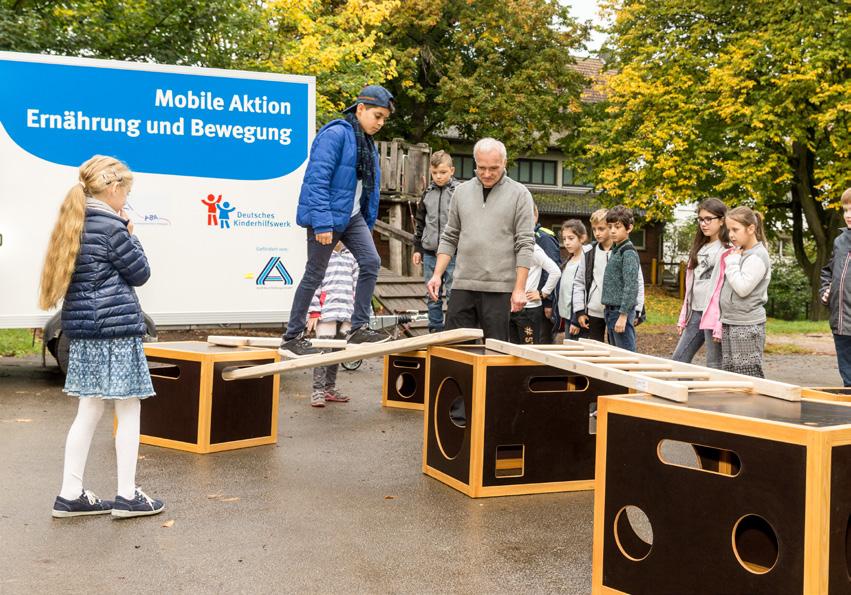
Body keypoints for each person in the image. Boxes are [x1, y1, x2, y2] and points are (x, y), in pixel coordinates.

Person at [39, 155, 164, 519]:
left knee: (89, 409)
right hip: (116, 330)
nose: (126, 199)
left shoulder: (75, 223)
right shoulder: (112, 228)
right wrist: (131, 235)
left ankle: (70, 493)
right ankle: (127, 495)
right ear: (112, 188)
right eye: (126, 191)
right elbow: (140, 273)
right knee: (128, 408)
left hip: (84, 331)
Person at [279, 85, 395, 358]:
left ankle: (358, 328)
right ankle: (292, 336)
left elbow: (367, 189)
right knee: (315, 273)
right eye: (377, 116)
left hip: (351, 217)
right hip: (328, 216)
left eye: (384, 119)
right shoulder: (336, 134)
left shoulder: (366, 143)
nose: (380, 123)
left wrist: (365, 222)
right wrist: (321, 223)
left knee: (370, 262)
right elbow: (316, 180)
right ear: (361, 108)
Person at [426, 138, 535, 341]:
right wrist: (437, 275)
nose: (486, 174)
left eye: (493, 168)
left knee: (495, 352)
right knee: (453, 348)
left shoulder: (520, 194)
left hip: (500, 288)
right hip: (463, 284)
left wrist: (519, 289)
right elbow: (450, 236)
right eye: (481, 167)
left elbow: (525, 244)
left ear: (504, 162)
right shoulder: (461, 192)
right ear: (475, 163)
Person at [572, 209, 645, 343]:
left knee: (617, 349)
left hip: (617, 310)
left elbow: (636, 281)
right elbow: (579, 282)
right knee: (594, 351)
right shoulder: (588, 252)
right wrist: (579, 310)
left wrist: (638, 309)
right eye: (594, 229)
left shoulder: (624, 252)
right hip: (594, 310)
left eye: (601, 228)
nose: (597, 233)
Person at [673, 198, 729, 368]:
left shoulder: (727, 249)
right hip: (696, 312)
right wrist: (684, 317)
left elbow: (724, 290)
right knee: (679, 360)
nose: (704, 224)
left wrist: (720, 323)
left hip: (714, 315)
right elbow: (691, 287)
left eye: (708, 219)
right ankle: (688, 393)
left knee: (714, 365)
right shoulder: (700, 247)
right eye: (700, 219)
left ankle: (715, 395)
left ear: (721, 220)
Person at [719, 206, 772, 377]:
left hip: (747, 324)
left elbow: (742, 288)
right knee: (731, 373)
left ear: (751, 229)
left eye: (735, 229)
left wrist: (732, 263)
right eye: (729, 230)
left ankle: (756, 405)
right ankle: (735, 405)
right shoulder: (740, 252)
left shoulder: (757, 256)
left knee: (748, 375)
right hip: (731, 320)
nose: (731, 235)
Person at [412, 150, 460, 333]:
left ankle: (453, 330)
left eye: (443, 172)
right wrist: (417, 248)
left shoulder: (459, 192)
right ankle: (435, 329)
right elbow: (420, 222)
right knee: (432, 294)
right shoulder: (427, 194)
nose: (438, 177)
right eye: (434, 173)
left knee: (454, 293)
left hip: (454, 254)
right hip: (430, 252)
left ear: (452, 170)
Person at [307, 243, 358, 407]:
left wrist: (359, 313)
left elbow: (359, 285)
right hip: (326, 312)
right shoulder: (322, 255)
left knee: (337, 353)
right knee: (323, 352)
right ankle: (317, 391)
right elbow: (313, 284)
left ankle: (329, 388)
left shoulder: (353, 256)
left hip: (347, 312)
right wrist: (314, 311)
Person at [820, 187, 851, 386]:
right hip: (841, 323)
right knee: (848, 377)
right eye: (845, 209)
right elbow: (827, 272)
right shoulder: (840, 241)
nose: (848, 215)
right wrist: (825, 291)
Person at [601, 206, 641, 351]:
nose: (612, 231)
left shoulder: (628, 252)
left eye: (617, 227)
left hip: (620, 311)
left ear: (629, 228)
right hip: (610, 311)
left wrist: (623, 315)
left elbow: (631, 286)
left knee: (626, 357)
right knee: (615, 356)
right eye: (610, 226)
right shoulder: (616, 250)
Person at [509, 243, 560, 344]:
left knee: (529, 350)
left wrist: (543, 293)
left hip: (528, 309)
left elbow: (555, 271)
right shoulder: (509, 246)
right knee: (513, 350)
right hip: (510, 308)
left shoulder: (534, 249)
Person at [551, 219, 590, 341]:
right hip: (566, 316)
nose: (567, 243)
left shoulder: (585, 260)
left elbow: (582, 291)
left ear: (582, 238)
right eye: (564, 239)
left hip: (577, 318)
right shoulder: (569, 261)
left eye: (571, 238)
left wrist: (576, 320)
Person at [533, 205, 562, 343]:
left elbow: (551, 270)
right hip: (527, 302)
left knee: (542, 341)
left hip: (541, 301)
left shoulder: (544, 237)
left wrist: (548, 301)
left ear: (534, 216)